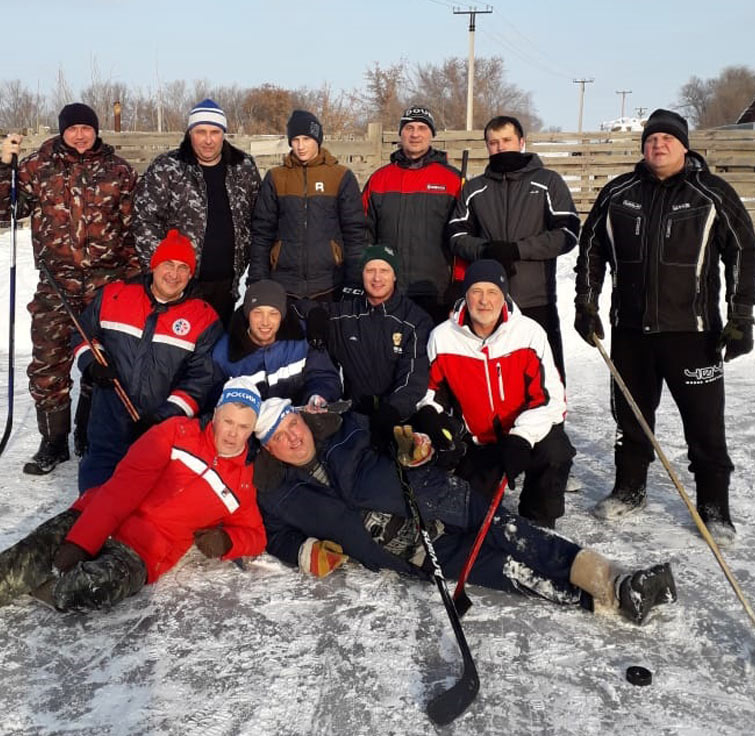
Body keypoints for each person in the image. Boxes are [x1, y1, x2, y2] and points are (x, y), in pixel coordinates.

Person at [0, 379, 266, 671]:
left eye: (243, 426)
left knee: (92, 586)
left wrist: (227, 541)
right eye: (227, 421)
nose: (232, 433)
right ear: (214, 416)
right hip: (97, 515)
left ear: (252, 429)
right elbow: (121, 488)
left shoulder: (242, 484)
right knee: (18, 562)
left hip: (139, 554)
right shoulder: (174, 434)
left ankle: (44, 582)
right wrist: (82, 540)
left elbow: (256, 535)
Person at [251, 398, 676, 627]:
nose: (292, 439)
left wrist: (415, 447)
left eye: (293, 427)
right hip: (412, 552)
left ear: (302, 419)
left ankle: (616, 581)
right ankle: (599, 604)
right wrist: (306, 551)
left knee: (522, 539)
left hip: (439, 499)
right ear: (269, 450)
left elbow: (406, 436)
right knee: (506, 572)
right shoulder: (274, 493)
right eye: (279, 439)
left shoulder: (351, 427)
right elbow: (276, 536)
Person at [574, 108, 755, 545]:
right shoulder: (619, 192)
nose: (658, 146)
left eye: (667, 140)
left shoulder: (710, 193)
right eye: (651, 139)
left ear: (684, 146)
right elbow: (590, 250)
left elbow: (743, 254)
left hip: (693, 333)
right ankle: (629, 489)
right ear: (643, 147)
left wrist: (740, 317)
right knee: (631, 418)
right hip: (631, 331)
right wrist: (586, 303)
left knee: (705, 424)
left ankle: (714, 507)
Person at [0, 102, 140, 475]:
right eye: (74, 129)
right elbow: (3, 209)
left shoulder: (119, 171)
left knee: (103, 362)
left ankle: (89, 431)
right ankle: (53, 442)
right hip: (57, 284)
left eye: (88, 128)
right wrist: (4, 164)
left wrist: (134, 279)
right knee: (48, 363)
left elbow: (135, 228)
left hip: (107, 285)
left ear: (97, 131)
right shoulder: (39, 166)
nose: (81, 135)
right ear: (63, 131)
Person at [417, 260, 574, 529]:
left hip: (524, 437)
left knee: (555, 452)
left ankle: (539, 521)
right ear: (465, 295)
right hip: (479, 441)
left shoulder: (528, 333)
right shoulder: (442, 337)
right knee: (469, 519)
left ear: (504, 296)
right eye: (476, 291)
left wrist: (521, 438)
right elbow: (430, 391)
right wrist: (430, 412)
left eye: (493, 292)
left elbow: (551, 399)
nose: (484, 301)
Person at [74, 229, 222, 493]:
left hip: (160, 437)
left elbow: (200, 382)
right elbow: (81, 334)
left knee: (145, 520)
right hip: (107, 430)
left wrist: (161, 419)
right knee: (92, 510)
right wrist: (92, 364)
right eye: (168, 264)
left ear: (190, 275)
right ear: (154, 265)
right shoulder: (115, 295)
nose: (174, 275)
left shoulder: (204, 319)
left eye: (183, 268)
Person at [448, 115, 579, 383]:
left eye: (506, 140)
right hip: (488, 302)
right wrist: (487, 250)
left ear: (521, 142)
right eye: (493, 143)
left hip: (535, 298)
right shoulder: (475, 188)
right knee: (492, 377)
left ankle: (552, 424)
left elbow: (567, 233)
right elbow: (455, 235)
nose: (500, 147)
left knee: (545, 375)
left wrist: (518, 250)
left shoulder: (548, 182)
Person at [132, 98, 262, 325]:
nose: (209, 140)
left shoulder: (243, 167)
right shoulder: (167, 167)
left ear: (224, 133)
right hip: (179, 283)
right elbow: (144, 221)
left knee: (217, 348)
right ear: (190, 133)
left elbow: (258, 218)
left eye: (215, 132)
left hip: (227, 283)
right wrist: (164, 272)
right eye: (201, 132)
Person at [314, 244, 433, 448]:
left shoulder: (415, 321)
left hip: (398, 419)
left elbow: (414, 377)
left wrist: (392, 411)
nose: (377, 278)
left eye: (384, 271)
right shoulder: (345, 313)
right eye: (370, 270)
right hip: (353, 417)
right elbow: (297, 311)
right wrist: (314, 315)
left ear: (395, 276)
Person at [248, 109, 367, 303]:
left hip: (329, 283)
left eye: (306, 139)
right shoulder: (276, 177)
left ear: (317, 139)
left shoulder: (340, 176)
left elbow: (355, 233)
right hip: (284, 284)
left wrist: (353, 280)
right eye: (295, 140)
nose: (301, 146)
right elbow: (262, 232)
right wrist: (258, 278)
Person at [361, 105, 461, 323]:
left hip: (437, 292)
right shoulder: (380, 179)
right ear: (400, 133)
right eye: (409, 128)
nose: (415, 134)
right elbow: (362, 234)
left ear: (432, 134)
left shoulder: (452, 180)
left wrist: (459, 284)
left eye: (422, 128)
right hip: (388, 291)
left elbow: (463, 237)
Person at [210, 279, 341, 411]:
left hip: (297, 421)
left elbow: (324, 376)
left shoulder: (302, 338)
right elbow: (213, 399)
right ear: (247, 315)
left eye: (273, 313)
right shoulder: (223, 353)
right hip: (249, 425)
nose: (265, 322)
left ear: (282, 316)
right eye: (257, 313)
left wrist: (317, 396)